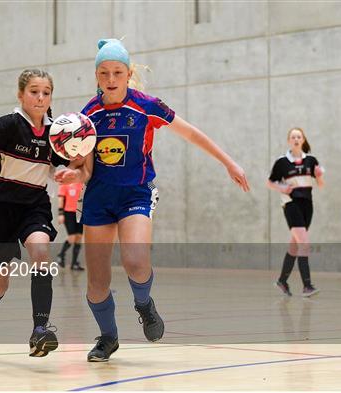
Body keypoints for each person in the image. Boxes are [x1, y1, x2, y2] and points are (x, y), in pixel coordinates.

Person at [55, 39, 250, 362]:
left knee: (136, 262)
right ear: (96, 76)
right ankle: (108, 337)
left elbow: (190, 133)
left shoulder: (147, 106)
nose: (111, 78)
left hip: (136, 194)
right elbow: (86, 168)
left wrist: (228, 162)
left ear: (128, 73)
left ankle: (144, 304)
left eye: (118, 72)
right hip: (99, 200)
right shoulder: (88, 115)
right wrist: (74, 175)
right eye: (104, 73)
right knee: (96, 282)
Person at [0, 69, 69, 359]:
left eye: (46, 92)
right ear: (21, 95)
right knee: (2, 280)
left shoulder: (55, 132)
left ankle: (40, 330)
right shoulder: (9, 123)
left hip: (35, 204)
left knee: (41, 251)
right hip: (2, 207)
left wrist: (67, 173)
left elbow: (61, 165)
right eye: (34, 91)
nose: (40, 97)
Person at [268, 127, 323, 298]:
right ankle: (307, 286)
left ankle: (282, 281)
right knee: (304, 243)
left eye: (299, 136)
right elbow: (270, 182)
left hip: (307, 204)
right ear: (289, 141)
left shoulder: (311, 160)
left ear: (303, 140)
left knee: (295, 245)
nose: (296, 139)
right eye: (293, 137)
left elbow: (320, 184)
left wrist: (320, 176)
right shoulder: (282, 162)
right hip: (291, 204)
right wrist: (282, 188)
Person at [55, 182, 85, 270]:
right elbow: (61, 198)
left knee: (79, 237)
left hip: (80, 213)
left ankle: (74, 263)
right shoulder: (66, 183)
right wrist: (61, 214)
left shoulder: (82, 184)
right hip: (68, 213)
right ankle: (61, 255)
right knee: (72, 237)